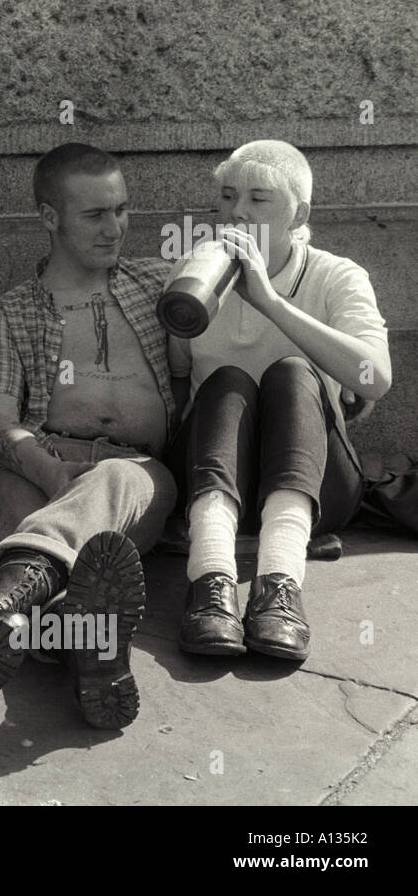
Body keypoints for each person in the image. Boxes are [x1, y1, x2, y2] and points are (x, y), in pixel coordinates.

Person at [0, 143, 180, 729]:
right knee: (17, 494)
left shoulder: (162, 287)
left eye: (123, 210)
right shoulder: (9, 313)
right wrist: (53, 473)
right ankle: (87, 644)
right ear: (49, 218)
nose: (115, 228)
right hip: (37, 464)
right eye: (95, 215)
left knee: (115, 479)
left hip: (133, 472)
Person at [171, 140, 390, 661]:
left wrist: (269, 302)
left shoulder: (337, 275)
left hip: (317, 496)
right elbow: (178, 386)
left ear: (299, 214)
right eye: (226, 197)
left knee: (292, 373)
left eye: (258, 199)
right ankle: (211, 584)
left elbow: (376, 376)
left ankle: (279, 587)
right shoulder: (192, 275)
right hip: (216, 490)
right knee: (224, 380)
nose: (238, 211)